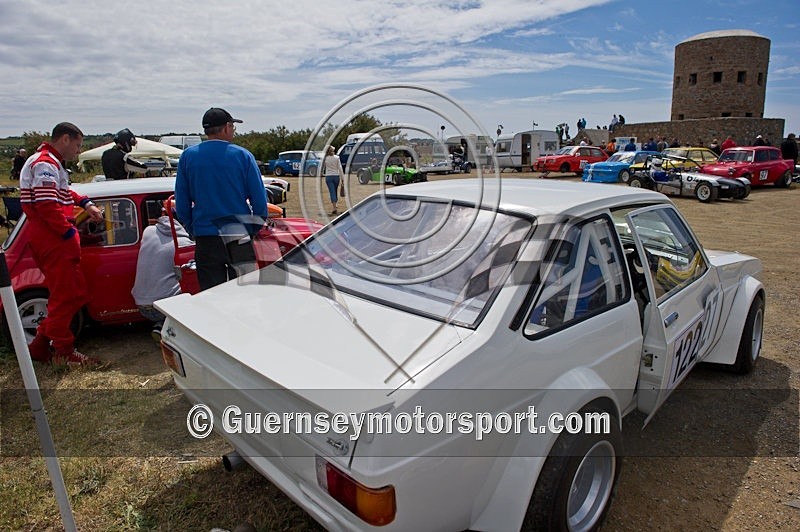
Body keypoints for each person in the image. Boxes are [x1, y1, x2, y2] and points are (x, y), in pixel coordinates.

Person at [19, 122, 105, 366]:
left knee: (73, 294)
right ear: (65, 139)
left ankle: (39, 346)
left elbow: (65, 192)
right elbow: (47, 206)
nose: (78, 151)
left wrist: (85, 203)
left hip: (51, 236)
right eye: (77, 145)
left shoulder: (49, 161)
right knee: (65, 297)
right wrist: (68, 234)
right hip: (53, 237)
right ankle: (64, 351)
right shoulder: (45, 163)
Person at [175, 107, 267, 291]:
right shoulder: (243, 156)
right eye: (233, 126)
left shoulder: (188, 157)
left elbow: (182, 201)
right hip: (238, 234)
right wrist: (253, 229)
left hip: (206, 236)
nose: (233, 130)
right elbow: (259, 202)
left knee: (211, 295)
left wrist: (192, 227)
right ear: (226, 127)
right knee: (245, 293)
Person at [132, 200, 192, 338]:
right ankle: (166, 325)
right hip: (162, 307)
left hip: (141, 305)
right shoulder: (184, 244)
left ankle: (162, 324)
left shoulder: (148, 231)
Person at [322, 145, 345, 215]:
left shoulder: (325, 158)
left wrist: (322, 173)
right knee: (334, 190)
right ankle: (335, 205)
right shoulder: (337, 158)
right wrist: (342, 178)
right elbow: (340, 168)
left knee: (332, 191)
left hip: (328, 176)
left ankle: (334, 207)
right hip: (336, 176)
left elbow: (322, 168)